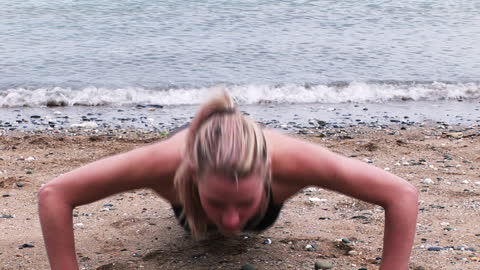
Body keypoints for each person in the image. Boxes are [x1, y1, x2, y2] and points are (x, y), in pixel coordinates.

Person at [38, 91, 418, 270]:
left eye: (246, 203)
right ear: (190, 176)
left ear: (269, 175)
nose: (233, 221)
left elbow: (401, 194)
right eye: (216, 202)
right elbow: (55, 194)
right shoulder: (163, 163)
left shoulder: (297, 162)